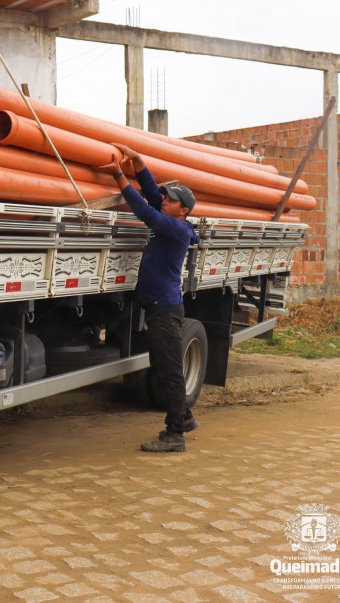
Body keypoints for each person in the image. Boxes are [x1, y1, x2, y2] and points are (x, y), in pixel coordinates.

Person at [100, 143, 199, 453]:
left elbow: (144, 209)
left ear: (182, 210)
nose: (164, 201)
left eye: (171, 200)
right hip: (160, 307)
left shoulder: (176, 229)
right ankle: (185, 416)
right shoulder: (173, 218)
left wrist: (119, 176)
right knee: (161, 364)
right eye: (166, 198)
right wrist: (139, 165)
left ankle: (175, 435)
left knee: (168, 369)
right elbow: (153, 196)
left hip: (165, 310)